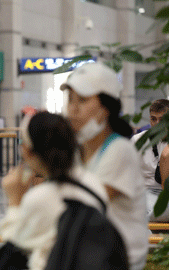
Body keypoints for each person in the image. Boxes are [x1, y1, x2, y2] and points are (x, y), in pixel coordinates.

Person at [60, 62, 148, 270]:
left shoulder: (120, 150)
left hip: (119, 262)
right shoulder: (77, 151)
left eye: (82, 99)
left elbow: (87, 204)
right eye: (70, 99)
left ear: (105, 107)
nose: (73, 108)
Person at [0, 111, 109, 270]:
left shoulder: (40, 198)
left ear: (29, 152)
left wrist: (14, 201)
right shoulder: (94, 183)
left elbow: (13, 245)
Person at [130, 99, 169, 217]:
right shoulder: (138, 140)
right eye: (153, 119)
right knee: (154, 209)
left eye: (162, 119)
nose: (157, 123)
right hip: (146, 191)